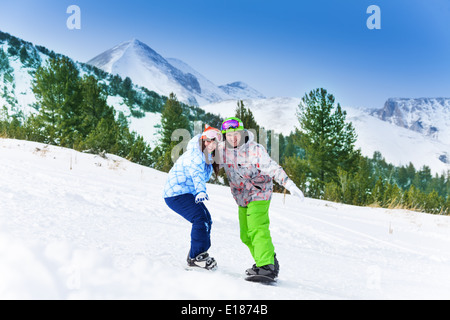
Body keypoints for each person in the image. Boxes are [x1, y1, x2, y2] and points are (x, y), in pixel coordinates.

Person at [219, 117, 304, 280]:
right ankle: (267, 260)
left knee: (257, 228)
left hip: (259, 192)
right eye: (229, 135)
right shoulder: (223, 151)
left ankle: (267, 267)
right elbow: (204, 152)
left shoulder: (254, 150)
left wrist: (289, 185)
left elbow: (272, 167)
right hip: (241, 197)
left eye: (236, 133)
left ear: (242, 132)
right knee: (246, 235)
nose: (233, 138)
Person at [164, 125, 222, 270]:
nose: (210, 144)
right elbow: (196, 174)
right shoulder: (195, 154)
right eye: (208, 140)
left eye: (214, 142)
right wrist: (200, 191)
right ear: (203, 140)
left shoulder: (207, 156)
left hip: (185, 193)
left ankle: (199, 254)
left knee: (206, 218)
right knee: (200, 218)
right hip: (175, 194)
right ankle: (195, 257)